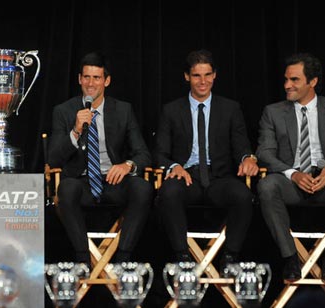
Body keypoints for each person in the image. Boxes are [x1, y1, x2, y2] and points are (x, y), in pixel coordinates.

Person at [256, 52, 325, 283]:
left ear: (312, 82)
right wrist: (292, 174)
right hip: (290, 182)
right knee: (266, 186)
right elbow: (264, 153)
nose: (287, 85)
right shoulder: (272, 112)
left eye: (294, 80)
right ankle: (291, 258)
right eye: (286, 79)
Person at [153, 49, 259, 269]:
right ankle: (182, 258)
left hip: (219, 176)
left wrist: (248, 158)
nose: (203, 81)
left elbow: (242, 147)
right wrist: (174, 166)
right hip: (187, 176)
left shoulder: (230, 108)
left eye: (207, 75)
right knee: (169, 192)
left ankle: (230, 257)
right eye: (196, 75)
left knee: (243, 195)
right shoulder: (171, 110)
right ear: (186, 77)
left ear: (214, 75)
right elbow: (159, 152)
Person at [48, 51, 153, 264]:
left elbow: (143, 154)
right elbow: (54, 159)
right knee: (66, 189)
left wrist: (127, 165)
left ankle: (122, 258)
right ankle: (84, 259)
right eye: (86, 77)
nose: (91, 83)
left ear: (106, 81)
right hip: (82, 182)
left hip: (113, 180)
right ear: (79, 79)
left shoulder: (123, 110)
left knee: (142, 188)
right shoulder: (64, 111)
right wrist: (76, 131)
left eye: (96, 78)